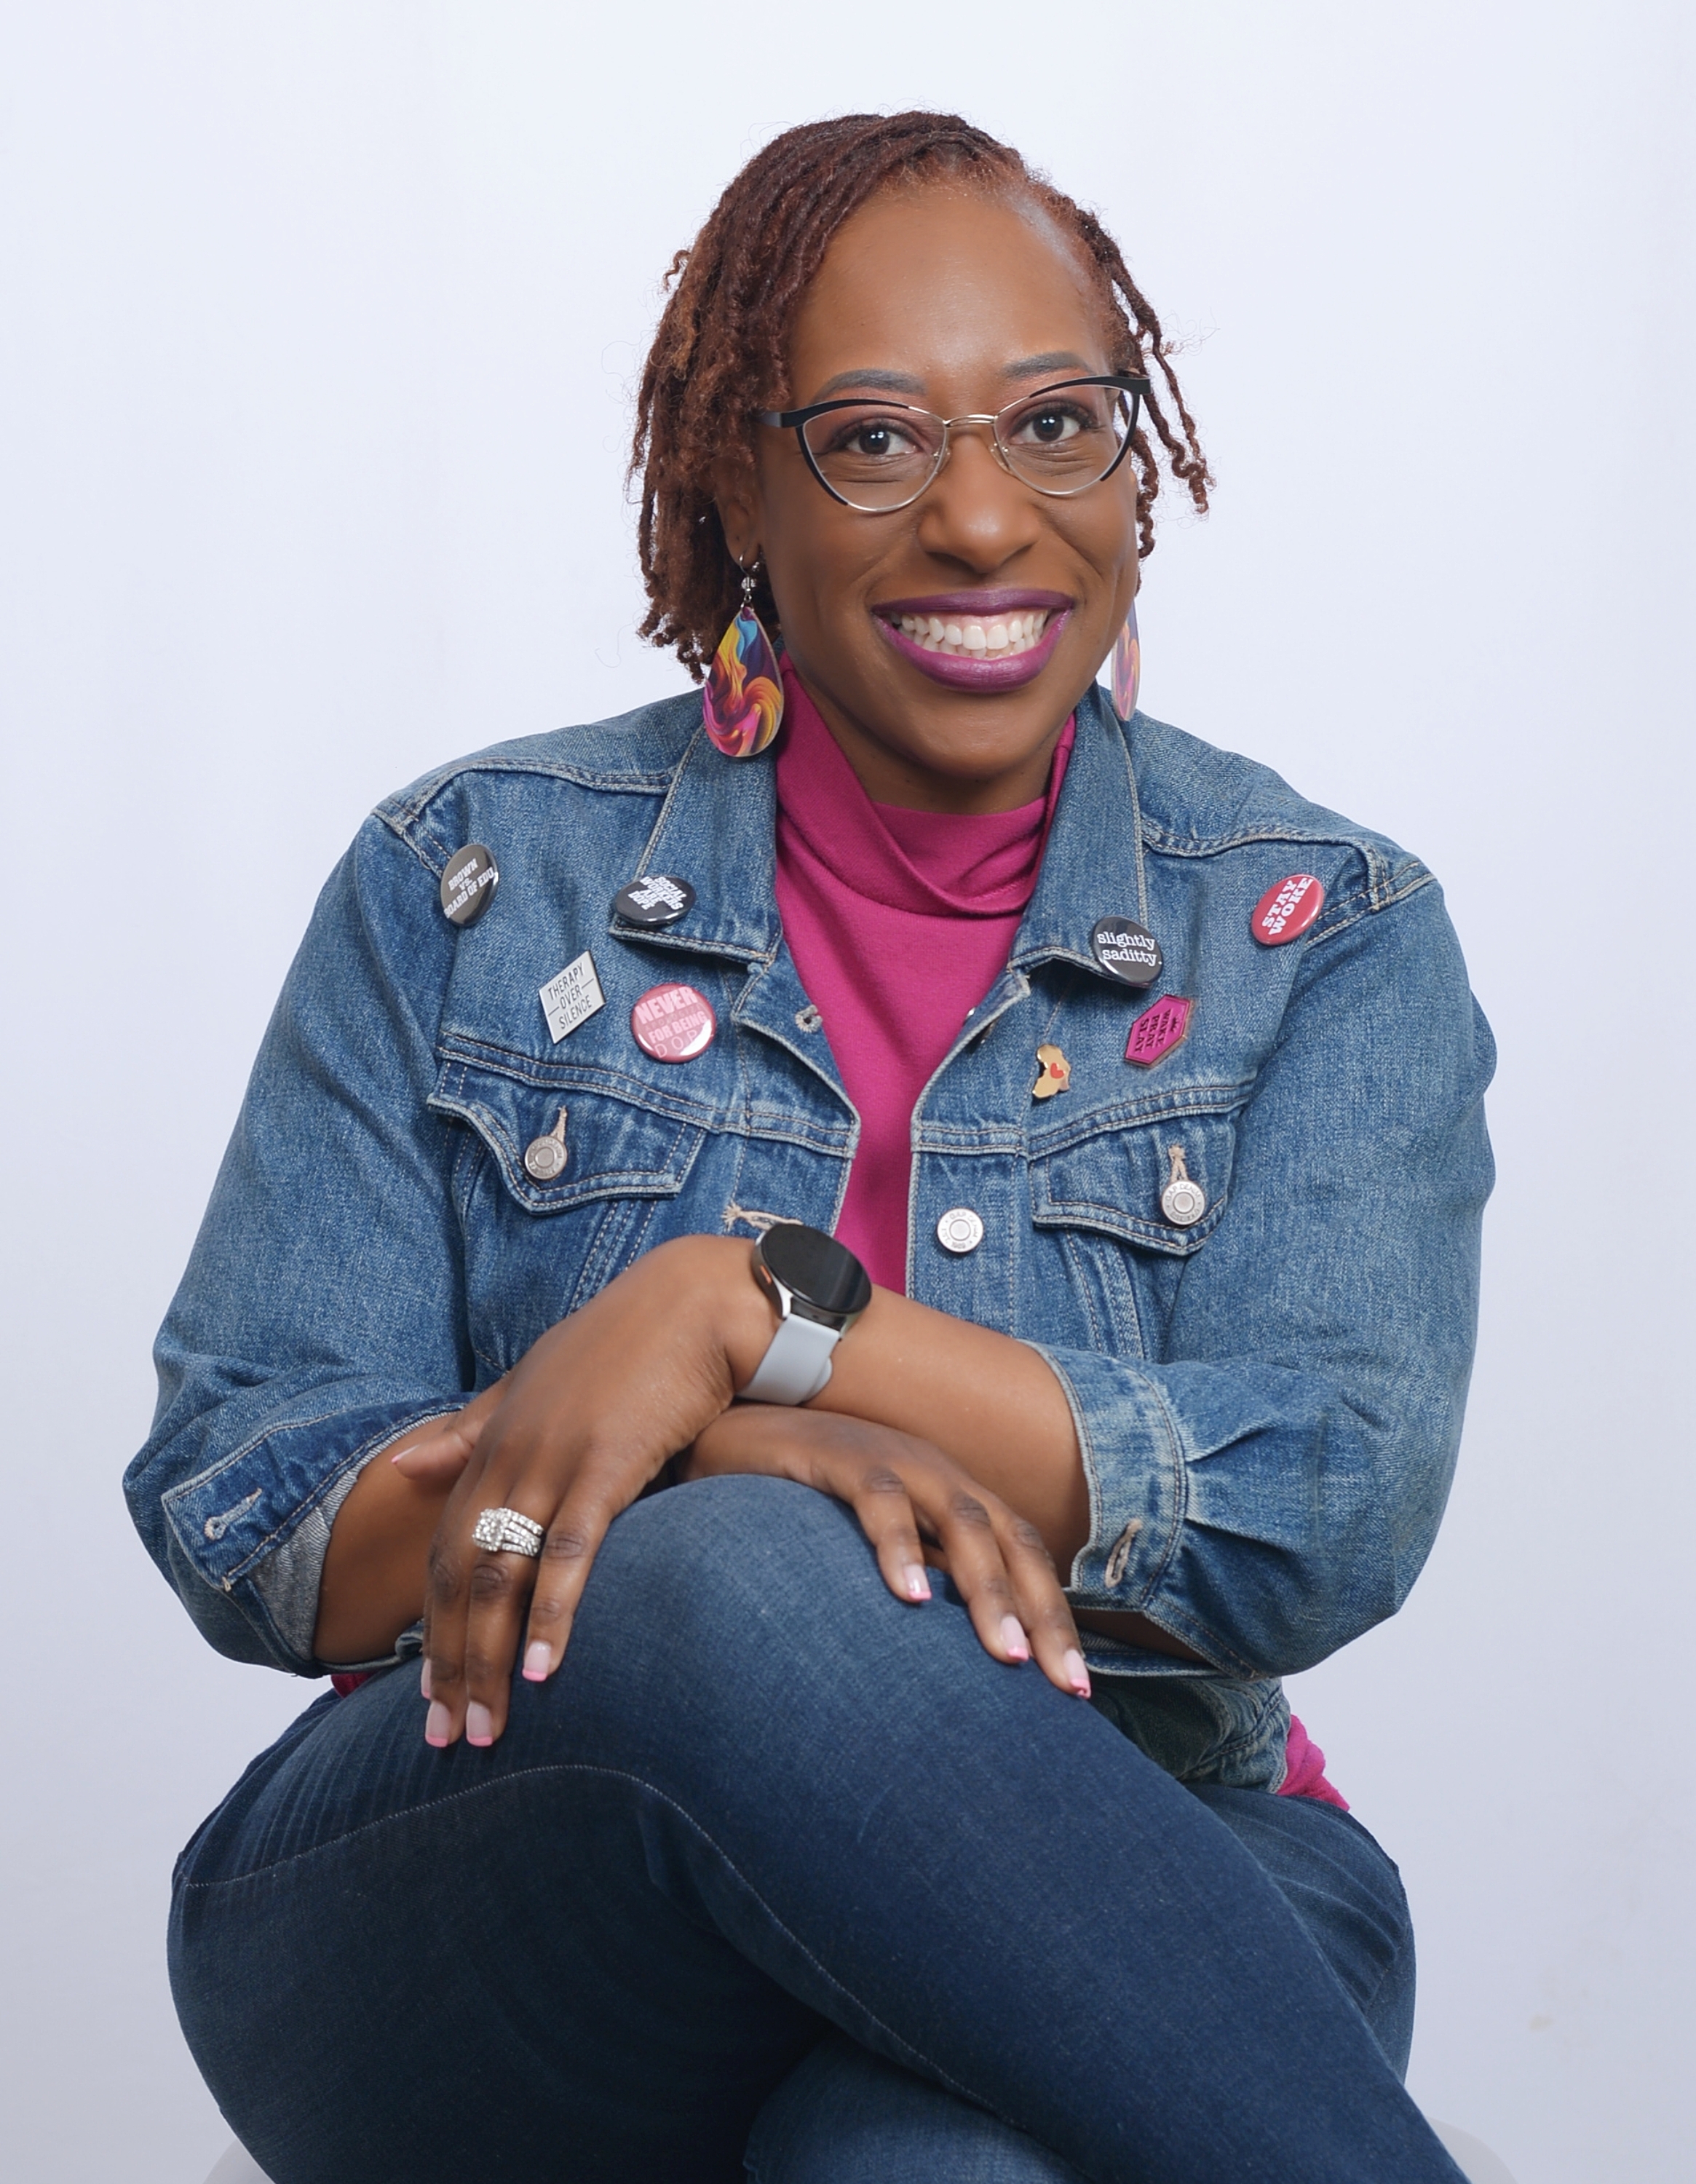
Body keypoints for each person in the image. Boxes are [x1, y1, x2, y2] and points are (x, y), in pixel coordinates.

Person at [127, 111, 1493, 2184]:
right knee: (738, 1558)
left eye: (1058, 424)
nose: (983, 516)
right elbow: (248, 1506)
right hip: (508, 1879)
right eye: (871, 440)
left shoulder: (1325, 931)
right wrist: (714, 1466)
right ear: (734, 490)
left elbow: (1330, 1505)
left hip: (1158, 1832)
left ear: (1135, 468)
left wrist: (753, 1321)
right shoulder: (469, 878)